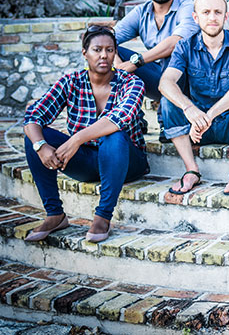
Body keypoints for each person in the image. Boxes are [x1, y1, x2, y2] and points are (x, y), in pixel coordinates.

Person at [23, 26, 149, 243]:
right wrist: (41, 146)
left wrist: (77, 139)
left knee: (114, 135)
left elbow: (119, 118)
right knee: (35, 136)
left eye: (109, 50)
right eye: (97, 49)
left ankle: (103, 216)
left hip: (128, 161)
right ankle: (55, 214)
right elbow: (34, 116)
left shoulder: (132, 83)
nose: (103, 55)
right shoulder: (71, 82)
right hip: (89, 161)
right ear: (85, 53)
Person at [158, 0, 229, 195]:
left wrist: (209, 115)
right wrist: (190, 110)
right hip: (196, 132)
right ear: (196, 18)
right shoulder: (185, 46)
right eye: (206, 12)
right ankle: (191, 171)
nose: (212, 17)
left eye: (217, 12)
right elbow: (165, 82)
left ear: (226, 16)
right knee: (167, 102)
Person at [114, 0, 200, 138]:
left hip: (187, 80)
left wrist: (137, 62)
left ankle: (166, 123)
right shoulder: (141, 11)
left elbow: (177, 42)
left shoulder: (187, 7)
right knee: (103, 53)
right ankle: (133, 119)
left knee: (174, 53)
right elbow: (104, 40)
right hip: (157, 77)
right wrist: (117, 66)